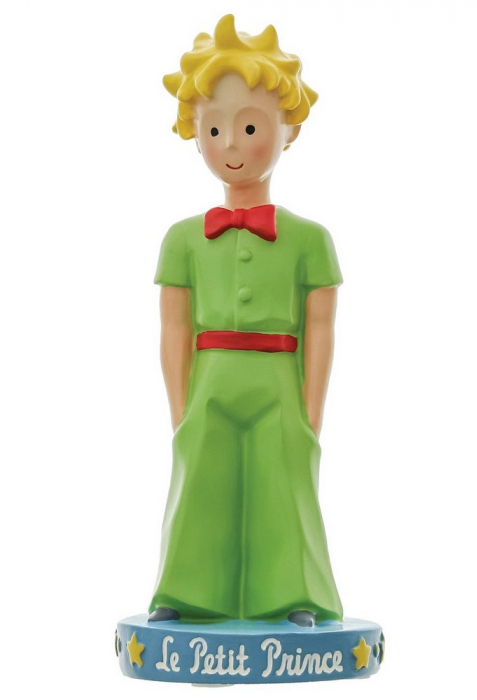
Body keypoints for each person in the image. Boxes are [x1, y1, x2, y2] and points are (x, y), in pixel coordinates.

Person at [149, 14, 343, 627]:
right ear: (195, 131)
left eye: (250, 126)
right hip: (210, 381)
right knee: (199, 483)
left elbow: (320, 330)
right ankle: (186, 593)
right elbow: (174, 331)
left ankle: (292, 595)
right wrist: (181, 408)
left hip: (278, 380)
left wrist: (310, 412)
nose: (231, 143)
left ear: (289, 129)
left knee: (285, 483)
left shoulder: (310, 240)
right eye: (214, 128)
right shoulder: (182, 240)